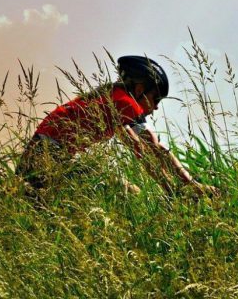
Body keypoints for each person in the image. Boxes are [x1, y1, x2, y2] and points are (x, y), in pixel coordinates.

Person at [16, 55, 217, 197]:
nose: (156, 107)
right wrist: (191, 183)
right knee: (127, 193)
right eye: (155, 98)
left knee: (125, 191)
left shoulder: (112, 101)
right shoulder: (124, 103)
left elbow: (141, 151)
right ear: (139, 89)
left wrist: (171, 189)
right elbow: (155, 147)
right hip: (50, 158)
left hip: (38, 158)